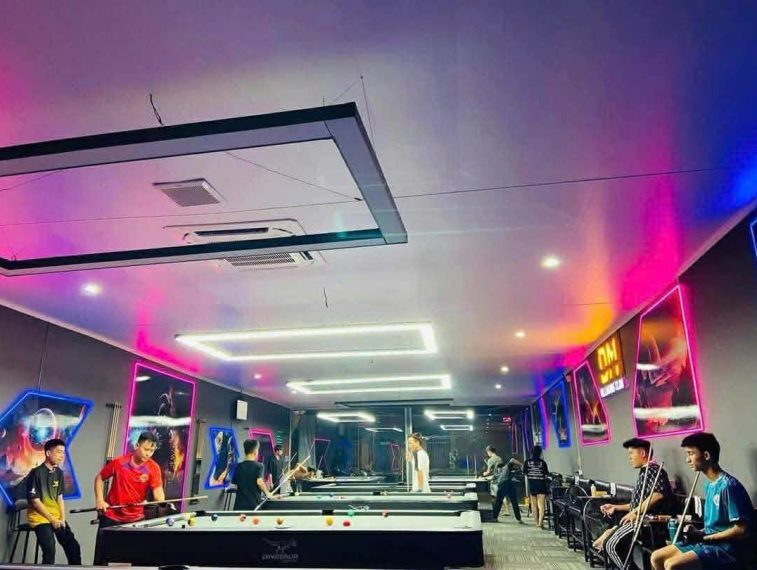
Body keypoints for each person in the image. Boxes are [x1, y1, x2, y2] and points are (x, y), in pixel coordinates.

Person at [651, 433, 753, 570]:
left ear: (706, 455)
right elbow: (713, 526)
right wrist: (698, 532)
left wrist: (707, 538)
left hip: (726, 549)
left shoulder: (728, 486)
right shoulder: (709, 485)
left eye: (691, 453)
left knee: (672, 565)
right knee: (656, 557)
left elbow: (742, 530)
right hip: (708, 542)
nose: (687, 460)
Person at [594, 438, 674, 570]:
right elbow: (636, 504)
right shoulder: (644, 472)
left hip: (648, 523)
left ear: (642, 453)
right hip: (639, 520)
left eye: (631, 453)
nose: (629, 458)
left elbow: (657, 495)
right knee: (608, 540)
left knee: (611, 545)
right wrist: (616, 507)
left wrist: (635, 512)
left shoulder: (653, 470)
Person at [93, 431, 164, 564]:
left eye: (152, 451)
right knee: (102, 560)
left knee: (133, 560)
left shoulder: (153, 468)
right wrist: (100, 500)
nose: (148, 454)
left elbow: (158, 493)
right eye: (146, 449)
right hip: (111, 517)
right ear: (137, 446)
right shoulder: (120, 462)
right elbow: (99, 478)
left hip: (135, 520)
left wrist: (157, 501)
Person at [26, 439, 82, 565]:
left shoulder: (59, 473)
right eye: (58, 452)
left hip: (56, 517)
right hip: (40, 518)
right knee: (50, 549)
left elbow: (60, 498)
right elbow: (35, 501)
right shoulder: (36, 473)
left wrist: (62, 519)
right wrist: (52, 520)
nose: (62, 455)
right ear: (48, 453)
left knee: (73, 547)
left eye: (63, 452)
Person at [233, 439, 272, 510]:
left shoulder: (238, 466)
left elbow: (235, 482)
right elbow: (259, 482)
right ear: (255, 451)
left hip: (239, 506)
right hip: (254, 506)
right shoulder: (259, 466)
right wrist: (267, 493)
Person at [492, 455, 524, 523]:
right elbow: (512, 460)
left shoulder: (498, 472)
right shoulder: (506, 467)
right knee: (514, 502)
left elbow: (493, 479)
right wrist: (521, 465)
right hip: (509, 485)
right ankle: (519, 519)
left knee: (498, 502)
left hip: (502, 486)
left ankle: (494, 518)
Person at [525, 445, 550, 528]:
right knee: (541, 505)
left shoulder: (527, 462)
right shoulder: (543, 463)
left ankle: (536, 522)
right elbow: (546, 474)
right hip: (541, 485)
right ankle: (540, 522)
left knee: (534, 505)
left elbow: (525, 473)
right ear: (540, 453)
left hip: (532, 485)